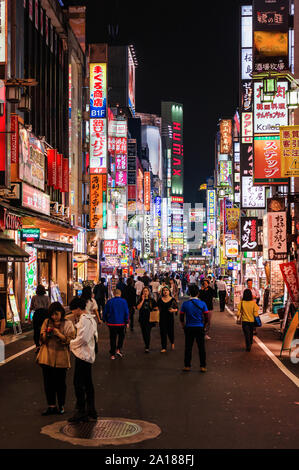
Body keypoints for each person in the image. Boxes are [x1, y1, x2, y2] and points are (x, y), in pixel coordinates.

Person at [36, 302, 75, 415]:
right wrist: (45, 335)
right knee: (48, 382)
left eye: (56, 314)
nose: (54, 317)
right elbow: (41, 338)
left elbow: (70, 339)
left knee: (60, 383)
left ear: (61, 313)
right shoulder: (47, 322)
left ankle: (61, 405)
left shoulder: (67, 323)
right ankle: (51, 405)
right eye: (52, 315)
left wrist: (58, 334)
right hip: (46, 357)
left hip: (61, 358)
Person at [68, 296, 98, 422]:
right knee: (87, 383)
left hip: (83, 355)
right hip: (88, 355)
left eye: (73, 310)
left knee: (78, 383)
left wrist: (71, 343)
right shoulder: (91, 318)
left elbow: (83, 339)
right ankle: (91, 410)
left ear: (79, 309)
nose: (72, 312)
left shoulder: (85, 319)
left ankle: (81, 411)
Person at [180, 284, 209, 372]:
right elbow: (206, 318)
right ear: (198, 293)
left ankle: (187, 366)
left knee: (188, 347)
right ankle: (203, 366)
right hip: (199, 327)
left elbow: (181, 318)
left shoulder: (185, 304)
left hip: (189, 327)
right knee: (201, 348)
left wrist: (184, 327)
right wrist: (204, 327)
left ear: (189, 293)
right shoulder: (202, 303)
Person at [103, 289, 129, 359]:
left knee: (113, 338)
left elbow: (105, 311)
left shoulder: (109, 301)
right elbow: (126, 312)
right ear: (120, 294)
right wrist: (127, 321)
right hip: (121, 323)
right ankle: (118, 349)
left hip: (112, 323)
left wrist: (105, 319)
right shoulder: (124, 301)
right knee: (121, 337)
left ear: (113, 294)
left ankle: (112, 354)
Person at [136, 287, 158, 353]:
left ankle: (147, 346)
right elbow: (138, 308)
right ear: (142, 292)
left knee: (148, 332)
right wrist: (142, 300)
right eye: (144, 291)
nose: (145, 293)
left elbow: (156, 307)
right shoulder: (140, 299)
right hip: (142, 319)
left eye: (146, 291)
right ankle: (146, 344)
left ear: (149, 292)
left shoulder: (152, 300)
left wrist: (155, 310)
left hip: (150, 319)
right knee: (144, 333)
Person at [157, 286, 178, 352]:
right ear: (162, 292)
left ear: (169, 291)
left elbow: (177, 309)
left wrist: (173, 310)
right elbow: (157, 307)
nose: (165, 291)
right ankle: (164, 347)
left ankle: (172, 342)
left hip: (170, 318)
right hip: (162, 318)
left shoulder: (172, 299)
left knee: (170, 331)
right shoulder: (160, 299)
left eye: (166, 290)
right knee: (163, 332)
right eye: (164, 290)